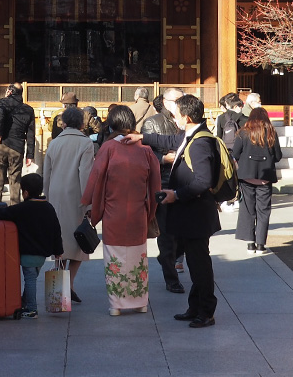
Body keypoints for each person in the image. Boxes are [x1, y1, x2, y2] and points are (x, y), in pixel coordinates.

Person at [133, 94, 221, 328]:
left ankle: (206, 311)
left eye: (178, 114)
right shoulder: (190, 135)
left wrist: (177, 195)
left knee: (200, 263)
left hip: (197, 215)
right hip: (189, 214)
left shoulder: (201, 142)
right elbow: (169, 139)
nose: (175, 118)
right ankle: (195, 307)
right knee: (193, 261)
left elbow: (203, 181)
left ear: (188, 117)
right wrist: (141, 136)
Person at [81, 105, 160, 317]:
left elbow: (96, 178)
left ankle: (116, 304)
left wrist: (88, 203)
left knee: (114, 258)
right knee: (138, 258)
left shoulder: (108, 148)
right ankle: (140, 302)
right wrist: (150, 212)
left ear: (112, 123)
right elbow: (155, 188)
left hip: (113, 212)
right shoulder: (145, 150)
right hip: (137, 213)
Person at [0, 173, 63, 318]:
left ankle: (31, 309)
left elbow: (3, 213)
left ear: (25, 192)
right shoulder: (48, 207)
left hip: (28, 253)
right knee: (32, 277)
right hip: (42, 254)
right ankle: (24, 302)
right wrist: (58, 250)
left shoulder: (23, 208)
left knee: (30, 280)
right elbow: (57, 230)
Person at [43, 105, 94, 304]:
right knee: (79, 243)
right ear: (82, 124)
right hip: (76, 197)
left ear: (63, 123)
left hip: (55, 196)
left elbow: (46, 174)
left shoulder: (54, 143)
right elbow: (85, 174)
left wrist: (47, 196)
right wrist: (87, 203)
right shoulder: (85, 143)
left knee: (60, 242)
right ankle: (69, 284)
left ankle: (60, 285)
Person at [140, 88, 185, 293]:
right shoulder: (153, 123)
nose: (181, 103)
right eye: (178, 100)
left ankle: (172, 259)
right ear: (166, 102)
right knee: (166, 235)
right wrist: (164, 159)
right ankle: (171, 278)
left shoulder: (186, 120)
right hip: (164, 183)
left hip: (184, 183)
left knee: (183, 234)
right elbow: (147, 156)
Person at [232, 107, 284, 256]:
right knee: (263, 210)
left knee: (248, 209)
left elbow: (235, 153)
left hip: (246, 176)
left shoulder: (243, 132)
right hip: (265, 177)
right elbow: (278, 156)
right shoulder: (271, 133)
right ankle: (261, 245)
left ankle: (250, 244)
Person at [0, 83, 36, 204]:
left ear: (10, 91)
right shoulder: (28, 109)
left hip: (2, 144)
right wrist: (30, 155)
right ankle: (14, 209)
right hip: (18, 147)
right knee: (15, 180)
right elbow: (31, 133)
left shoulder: (2, 103)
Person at [216, 93, 244, 213]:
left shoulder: (222, 118)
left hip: (226, 150)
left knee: (228, 175)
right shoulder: (242, 117)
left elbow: (218, 135)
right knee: (240, 175)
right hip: (241, 150)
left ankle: (228, 199)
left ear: (226, 104)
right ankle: (239, 199)